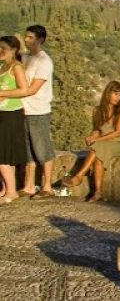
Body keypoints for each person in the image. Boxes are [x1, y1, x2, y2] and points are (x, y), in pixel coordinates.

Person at [62, 81, 120, 202]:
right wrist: (91, 137)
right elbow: (97, 130)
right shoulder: (98, 111)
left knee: (98, 148)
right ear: (108, 93)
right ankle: (98, 192)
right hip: (104, 144)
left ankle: (79, 176)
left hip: (118, 143)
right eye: (115, 94)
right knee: (98, 156)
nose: (118, 97)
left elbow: (118, 132)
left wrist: (97, 140)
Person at [20, 25, 55, 199]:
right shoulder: (25, 57)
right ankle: (29, 186)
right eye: (26, 37)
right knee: (27, 151)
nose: (26, 40)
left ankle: (47, 186)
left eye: (30, 37)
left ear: (40, 40)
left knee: (42, 149)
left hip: (38, 111)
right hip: (23, 110)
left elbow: (33, 89)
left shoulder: (44, 61)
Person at [0, 35, 32, 204]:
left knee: (2, 155)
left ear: (13, 50)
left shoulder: (16, 67)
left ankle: (11, 191)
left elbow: (24, 90)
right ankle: (7, 189)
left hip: (11, 114)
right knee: (6, 154)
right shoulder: (2, 67)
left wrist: (3, 94)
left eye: (3, 48)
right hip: (2, 113)